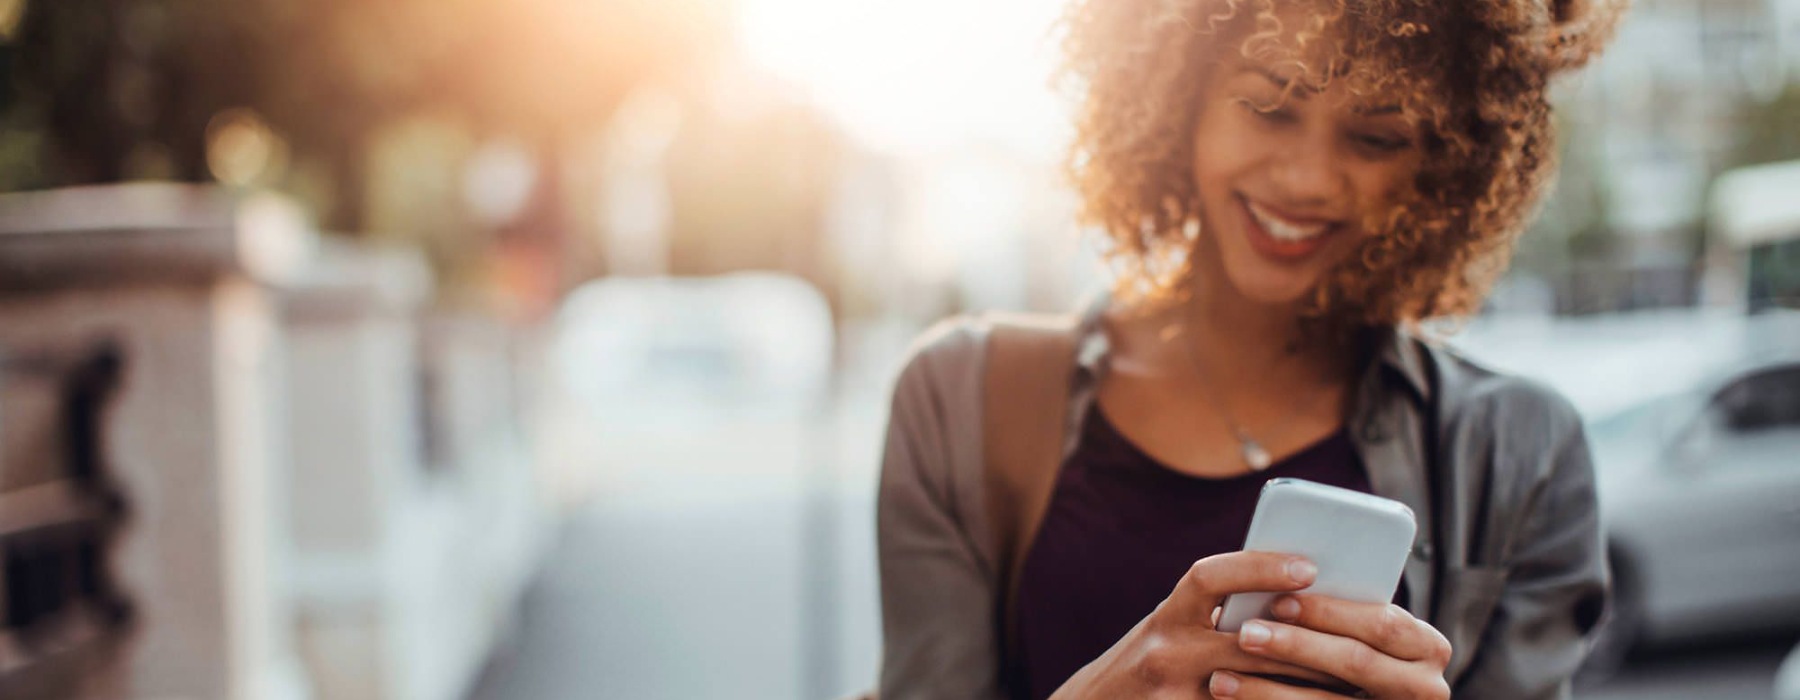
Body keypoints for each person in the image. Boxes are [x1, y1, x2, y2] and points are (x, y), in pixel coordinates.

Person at [875, 0, 1626, 698]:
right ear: (1179, 98)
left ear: (1444, 164)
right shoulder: (964, 399)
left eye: (1375, 138)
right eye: (1269, 108)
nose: (1306, 179)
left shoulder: (1523, 452)